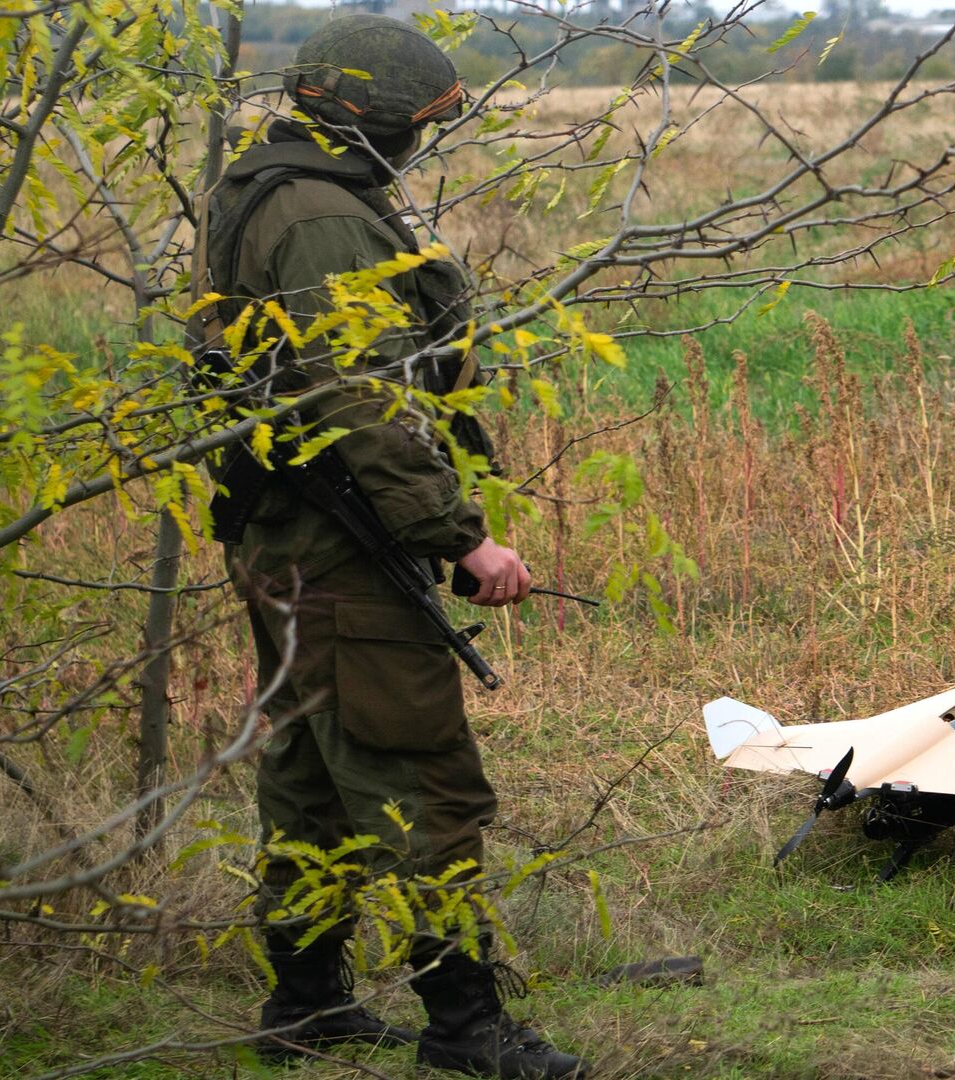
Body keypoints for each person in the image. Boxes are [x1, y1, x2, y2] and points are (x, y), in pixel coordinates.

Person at [195, 15, 586, 1079]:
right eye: (414, 124)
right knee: (426, 785)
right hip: (338, 542)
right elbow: (364, 399)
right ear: (368, 121)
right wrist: (461, 538)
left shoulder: (269, 188)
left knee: (313, 781)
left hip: (294, 537)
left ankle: (307, 1003)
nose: (419, 143)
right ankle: (463, 1026)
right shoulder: (323, 217)